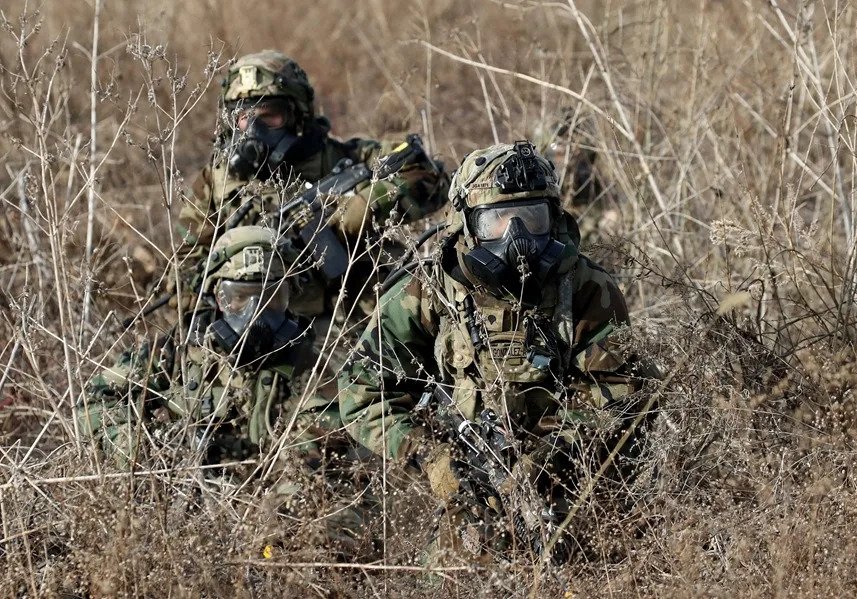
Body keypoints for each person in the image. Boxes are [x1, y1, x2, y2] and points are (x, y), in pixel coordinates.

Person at [338, 141, 654, 563]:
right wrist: (431, 457)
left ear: (554, 218)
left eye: (531, 219)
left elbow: (619, 389)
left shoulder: (584, 287)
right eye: (498, 222)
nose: (517, 240)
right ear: (466, 224)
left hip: (571, 483)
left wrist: (553, 452)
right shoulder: (428, 291)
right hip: (470, 489)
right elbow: (362, 390)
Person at [174, 50, 448, 318]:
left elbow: (428, 173)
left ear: (298, 114)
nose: (255, 130)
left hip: (351, 325)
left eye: (269, 115)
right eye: (244, 117)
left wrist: (361, 209)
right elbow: (186, 268)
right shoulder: (218, 181)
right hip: (261, 331)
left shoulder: (345, 157)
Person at [80, 226, 339, 469]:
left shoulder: (306, 362)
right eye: (238, 297)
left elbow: (327, 437)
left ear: (289, 297)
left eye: (271, 297)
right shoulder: (178, 351)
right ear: (218, 297)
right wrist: (139, 451)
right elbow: (96, 399)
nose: (255, 313)